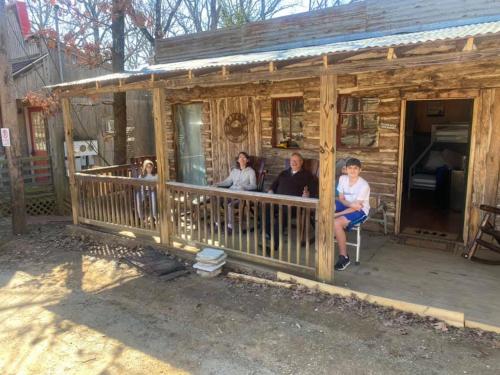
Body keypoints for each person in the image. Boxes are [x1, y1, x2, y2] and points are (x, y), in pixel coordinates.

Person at [265, 152, 318, 251]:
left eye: (296, 161)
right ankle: (269, 233)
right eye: (291, 161)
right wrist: (271, 191)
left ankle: (274, 245)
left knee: (283, 213)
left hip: (295, 204)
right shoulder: (283, 173)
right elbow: (274, 184)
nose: (293, 163)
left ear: (301, 162)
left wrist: (307, 194)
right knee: (265, 206)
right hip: (278, 201)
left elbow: (314, 190)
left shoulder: (307, 175)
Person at [334, 158, 370, 271]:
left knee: (336, 222)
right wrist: (349, 204)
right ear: (346, 169)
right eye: (350, 168)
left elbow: (356, 208)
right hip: (349, 205)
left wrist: (337, 214)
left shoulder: (364, 185)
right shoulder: (342, 178)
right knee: (327, 206)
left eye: (355, 168)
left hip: (360, 210)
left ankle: (344, 257)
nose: (352, 171)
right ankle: (327, 240)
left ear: (360, 170)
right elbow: (341, 198)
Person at [215, 152, 257, 232]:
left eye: (244, 157)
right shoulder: (234, 171)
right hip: (231, 192)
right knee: (217, 200)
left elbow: (254, 185)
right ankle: (217, 223)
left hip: (242, 195)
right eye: (240, 157)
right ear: (238, 160)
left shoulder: (251, 171)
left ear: (247, 160)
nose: (242, 159)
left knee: (230, 205)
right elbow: (227, 182)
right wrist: (217, 184)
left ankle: (230, 227)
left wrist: (244, 187)